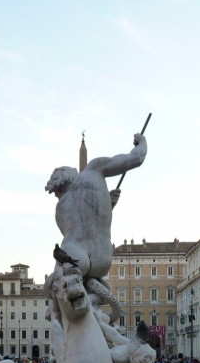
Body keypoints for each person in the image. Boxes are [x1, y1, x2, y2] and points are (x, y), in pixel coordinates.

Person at [47, 132, 147, 312]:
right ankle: (95, 305)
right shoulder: (93, 169)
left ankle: (53, 310)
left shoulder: (59, 208)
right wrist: (141, 141)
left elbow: (77, 230)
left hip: (76, 254)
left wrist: (107, 204)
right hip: (102, 257)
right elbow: (137, 158)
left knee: (62, 290)